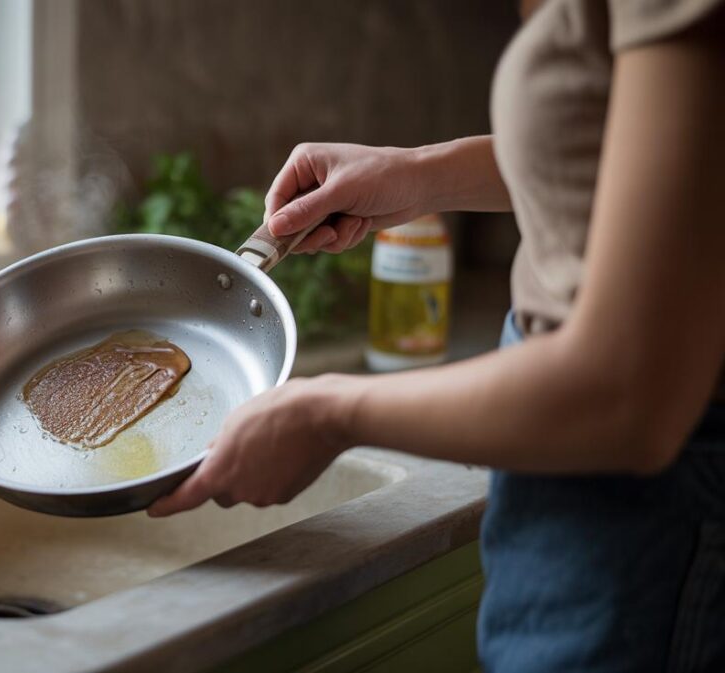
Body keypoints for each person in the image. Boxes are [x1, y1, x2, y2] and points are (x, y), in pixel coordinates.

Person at [147, 0, 725, 669]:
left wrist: (331, 412)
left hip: (655, 506)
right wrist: (418, 174)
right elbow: (630, 149)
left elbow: (632, 391)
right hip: (579, 461)